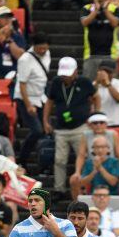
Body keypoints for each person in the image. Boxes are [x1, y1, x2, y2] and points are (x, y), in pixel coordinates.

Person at [44, 57, 99, 195]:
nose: (65, 77)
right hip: (61, 128)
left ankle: (84, 187)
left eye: (68, 74)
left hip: (80, 127)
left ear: (75, 72)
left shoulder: (84, 82)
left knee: (84, 158)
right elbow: (49, 102)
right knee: (59, 160)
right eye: (63, 74)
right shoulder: (56, 83)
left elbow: (96, 97)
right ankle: (59, 189)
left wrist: (95, 116)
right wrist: (45, 121)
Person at [15, 32, 50, 165]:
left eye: (45, 48)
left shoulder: (47, 53)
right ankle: (22, 159)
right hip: (25, 97)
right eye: (40, 48)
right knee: (37, 130)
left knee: (46, 130)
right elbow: (22, 84)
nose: (42, 51)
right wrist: (28, 105)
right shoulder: (25, 59)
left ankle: (38, 155)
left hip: (40, 96)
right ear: (33, 46)